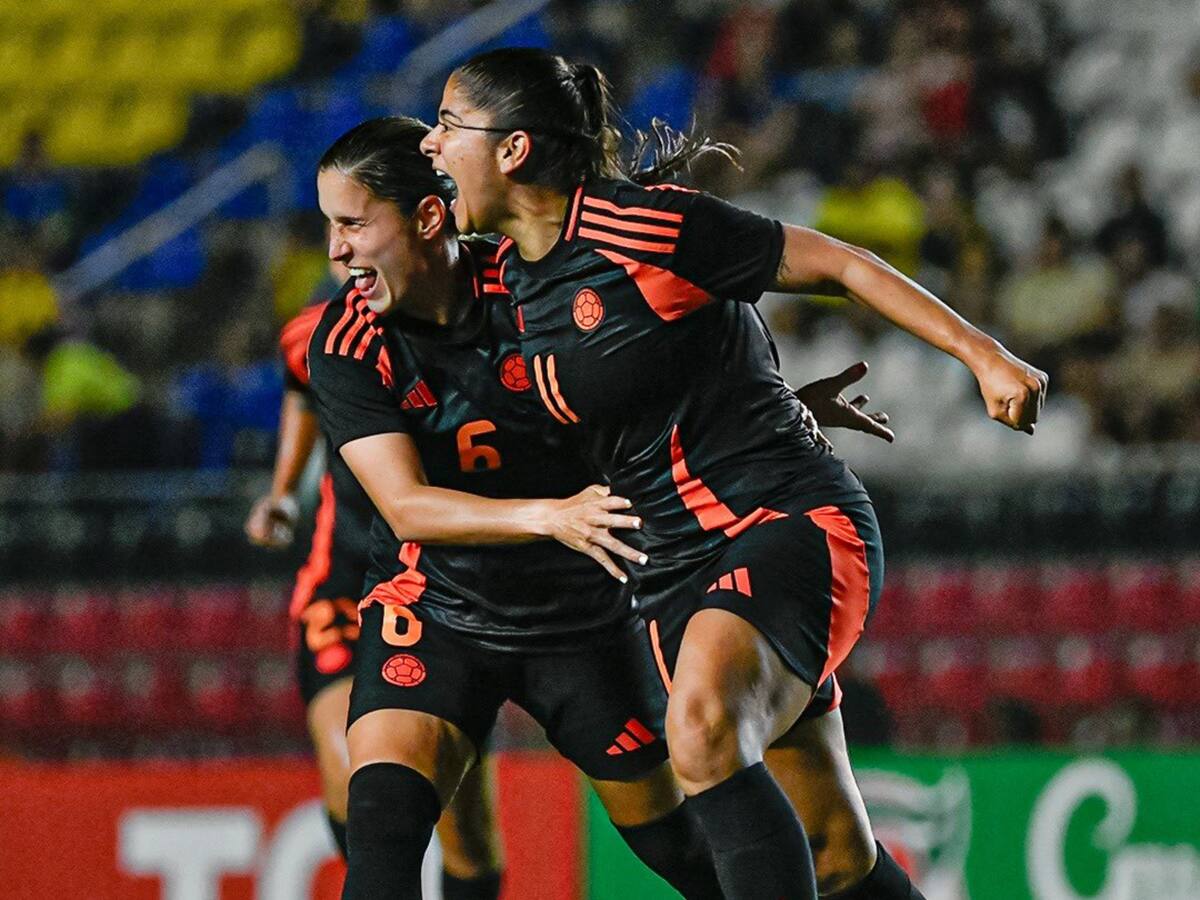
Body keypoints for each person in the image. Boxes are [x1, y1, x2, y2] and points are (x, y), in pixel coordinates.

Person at [421, 46, 1047, 900]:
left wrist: (984, 355)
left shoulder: (641, 228)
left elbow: (838, 263)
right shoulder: (508, 285)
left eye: (448, 124)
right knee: (834, 853)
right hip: (668, 575)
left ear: (513, 148)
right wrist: (770, 394)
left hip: (783, 523)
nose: (431, 143)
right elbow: (649, 384)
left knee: (703, 728)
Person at [308, 116, 725, 900]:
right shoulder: (348, 343)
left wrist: (774, 407)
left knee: (685, 854)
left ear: (427, 217)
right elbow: (406, 508)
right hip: (436, 611)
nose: (336, 250)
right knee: (382, 846)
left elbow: (665, 371)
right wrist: (549, 516)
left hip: (582, 619)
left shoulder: (537, 289)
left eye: (353, 224)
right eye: (330, 226)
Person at [244, 281, 505, 898]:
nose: (346, 248)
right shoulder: (324, 332)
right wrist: (283, 490)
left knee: (466, 832)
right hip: (344, 581)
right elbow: (300, 382)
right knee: (355, 767)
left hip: (446, 589)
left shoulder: (497, 325)